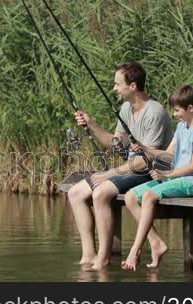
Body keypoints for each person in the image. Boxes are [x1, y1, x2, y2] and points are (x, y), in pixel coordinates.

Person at [68, 61, 173, 271]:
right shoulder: (126, 108)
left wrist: (111, 173)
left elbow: (147, 159)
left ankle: (103, 259)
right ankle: (88, 255)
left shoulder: (155, 112)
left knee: (100, 193)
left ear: (132, 86)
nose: (114, 88)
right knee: (75, 193)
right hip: (131, 168)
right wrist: (91, 124)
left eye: (117, 84)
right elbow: (115, 144)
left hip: (153, 171)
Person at [122, 85, 193, 271]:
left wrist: (167, 174)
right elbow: (167, 155)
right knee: (130, 196)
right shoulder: (181, 127)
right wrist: (144, 148)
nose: (175, 114)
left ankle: (135, 249)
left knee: (148, 196)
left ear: (190, 108)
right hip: (175, 178)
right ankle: (156, 244)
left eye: (177, 110)